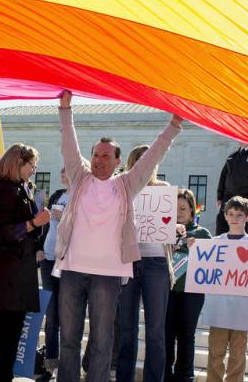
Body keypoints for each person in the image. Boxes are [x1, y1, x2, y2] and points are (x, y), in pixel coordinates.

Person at [54, 90, 182, 382]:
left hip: (108, 275)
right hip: (73, 270)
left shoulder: (126, 185)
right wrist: (65, 109)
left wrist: (173, 126)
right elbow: (68, 144)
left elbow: (152, 158)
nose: (98, 160)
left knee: (101, 343)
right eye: (95, 155)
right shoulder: (79, 176)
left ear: (117, 160)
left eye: (105, 156)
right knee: (69, 341)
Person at [0, 143, 50, 382]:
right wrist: (33, 223)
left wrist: (36, 225)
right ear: (19, 162)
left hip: (17, 274)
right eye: (32, 165)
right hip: (6, 274)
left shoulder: (19, 188)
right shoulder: (3, 189)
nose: (33, 171)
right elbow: (0, 233)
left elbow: (27, 232)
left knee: (10, 337)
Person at [116, 144, 173, 382]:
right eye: (140, 160)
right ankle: (124, 378)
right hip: (128, 261)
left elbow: (171, 224)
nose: (145, 164)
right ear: (131, 163)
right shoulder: (122, 188)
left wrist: (176, 227)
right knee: (127, 329)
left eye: (150, 159)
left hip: (156, 263)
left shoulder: (164, 190)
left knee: (156, 331)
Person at [199, 197, 248, 382]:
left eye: (239, 215)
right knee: (215, 353)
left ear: (247, 217)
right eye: (231, 214)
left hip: (242, 309)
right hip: (219, 309)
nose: (235, 218)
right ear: (225, 215)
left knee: (238, 356)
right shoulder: (214, 243)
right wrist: (196, 249)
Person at [165, 189, 210, 382]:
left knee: (186, 335)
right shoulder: (164, 230)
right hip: (167, 291)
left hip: (192, 293)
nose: (179, 212)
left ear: (192, 209)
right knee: (166, 334)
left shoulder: (202, 233)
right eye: (174, 208)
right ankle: (165, 374)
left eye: (183, 208)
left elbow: (211, 262)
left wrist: (197, 248)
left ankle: (185, 376)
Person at [38, 167, 69, 379]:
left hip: (68, 262)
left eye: (67, 170)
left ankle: (66, 367)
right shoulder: (58, 194)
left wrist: (65, 214)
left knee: (67, 317)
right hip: (48, 259)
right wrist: (39, 248)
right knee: (51, 317)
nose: (62, 172)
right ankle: (50, 366)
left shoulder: (82, 195)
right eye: (62, 170)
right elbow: (47, 225)